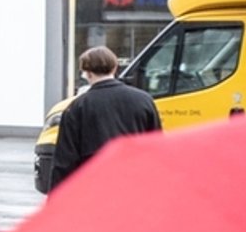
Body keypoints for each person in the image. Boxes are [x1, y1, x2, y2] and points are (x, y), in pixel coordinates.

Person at [48, 46, 162, 189]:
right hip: (135, 183)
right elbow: (156, 146)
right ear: (114, 68)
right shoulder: (144, 100)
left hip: (95, 185)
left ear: (87, 73)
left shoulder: (77, 107)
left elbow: (65, 160)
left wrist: (57, 200)